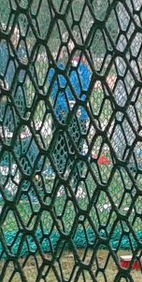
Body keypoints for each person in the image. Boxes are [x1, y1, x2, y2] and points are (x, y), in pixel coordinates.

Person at [47, 41, 93, 185]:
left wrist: (78, 106)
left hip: (79, 114)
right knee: (59, 148)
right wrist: (68, 107)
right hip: (61, 114)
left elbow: (86, 90)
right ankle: (60, 179)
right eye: (66, 50)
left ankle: (77, 181)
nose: (69, 52)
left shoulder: (83, 70)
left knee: (77, 148)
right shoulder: (55, 69)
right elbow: (55, 93)